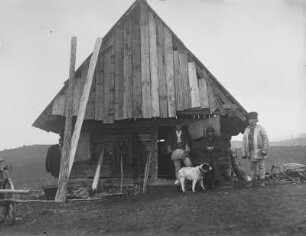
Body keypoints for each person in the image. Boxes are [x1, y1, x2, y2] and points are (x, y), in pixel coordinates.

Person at [242, 111, 269, 187]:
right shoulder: (247, 129)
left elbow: (265, 139)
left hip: (260, 151)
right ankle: (252, 181)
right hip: (250, 152)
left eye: (252, 119)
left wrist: (264, 150)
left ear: (256, 120)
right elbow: (244, 141)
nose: (250, 121)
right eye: (249, 119)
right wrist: (244, 153)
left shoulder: (261, 128)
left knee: (261, 167)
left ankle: (262, 181)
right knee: (252, 167)